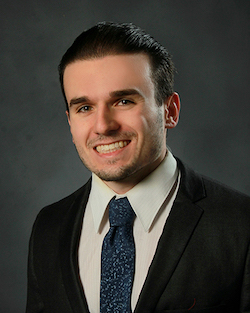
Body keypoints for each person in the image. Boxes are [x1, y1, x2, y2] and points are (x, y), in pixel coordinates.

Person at [26, 22, 250, 313]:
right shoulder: (49, 227)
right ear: (70, 121)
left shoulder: (241, 225)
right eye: (84, 108)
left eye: (123, 100)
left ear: (170, 111)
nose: (103, 126)